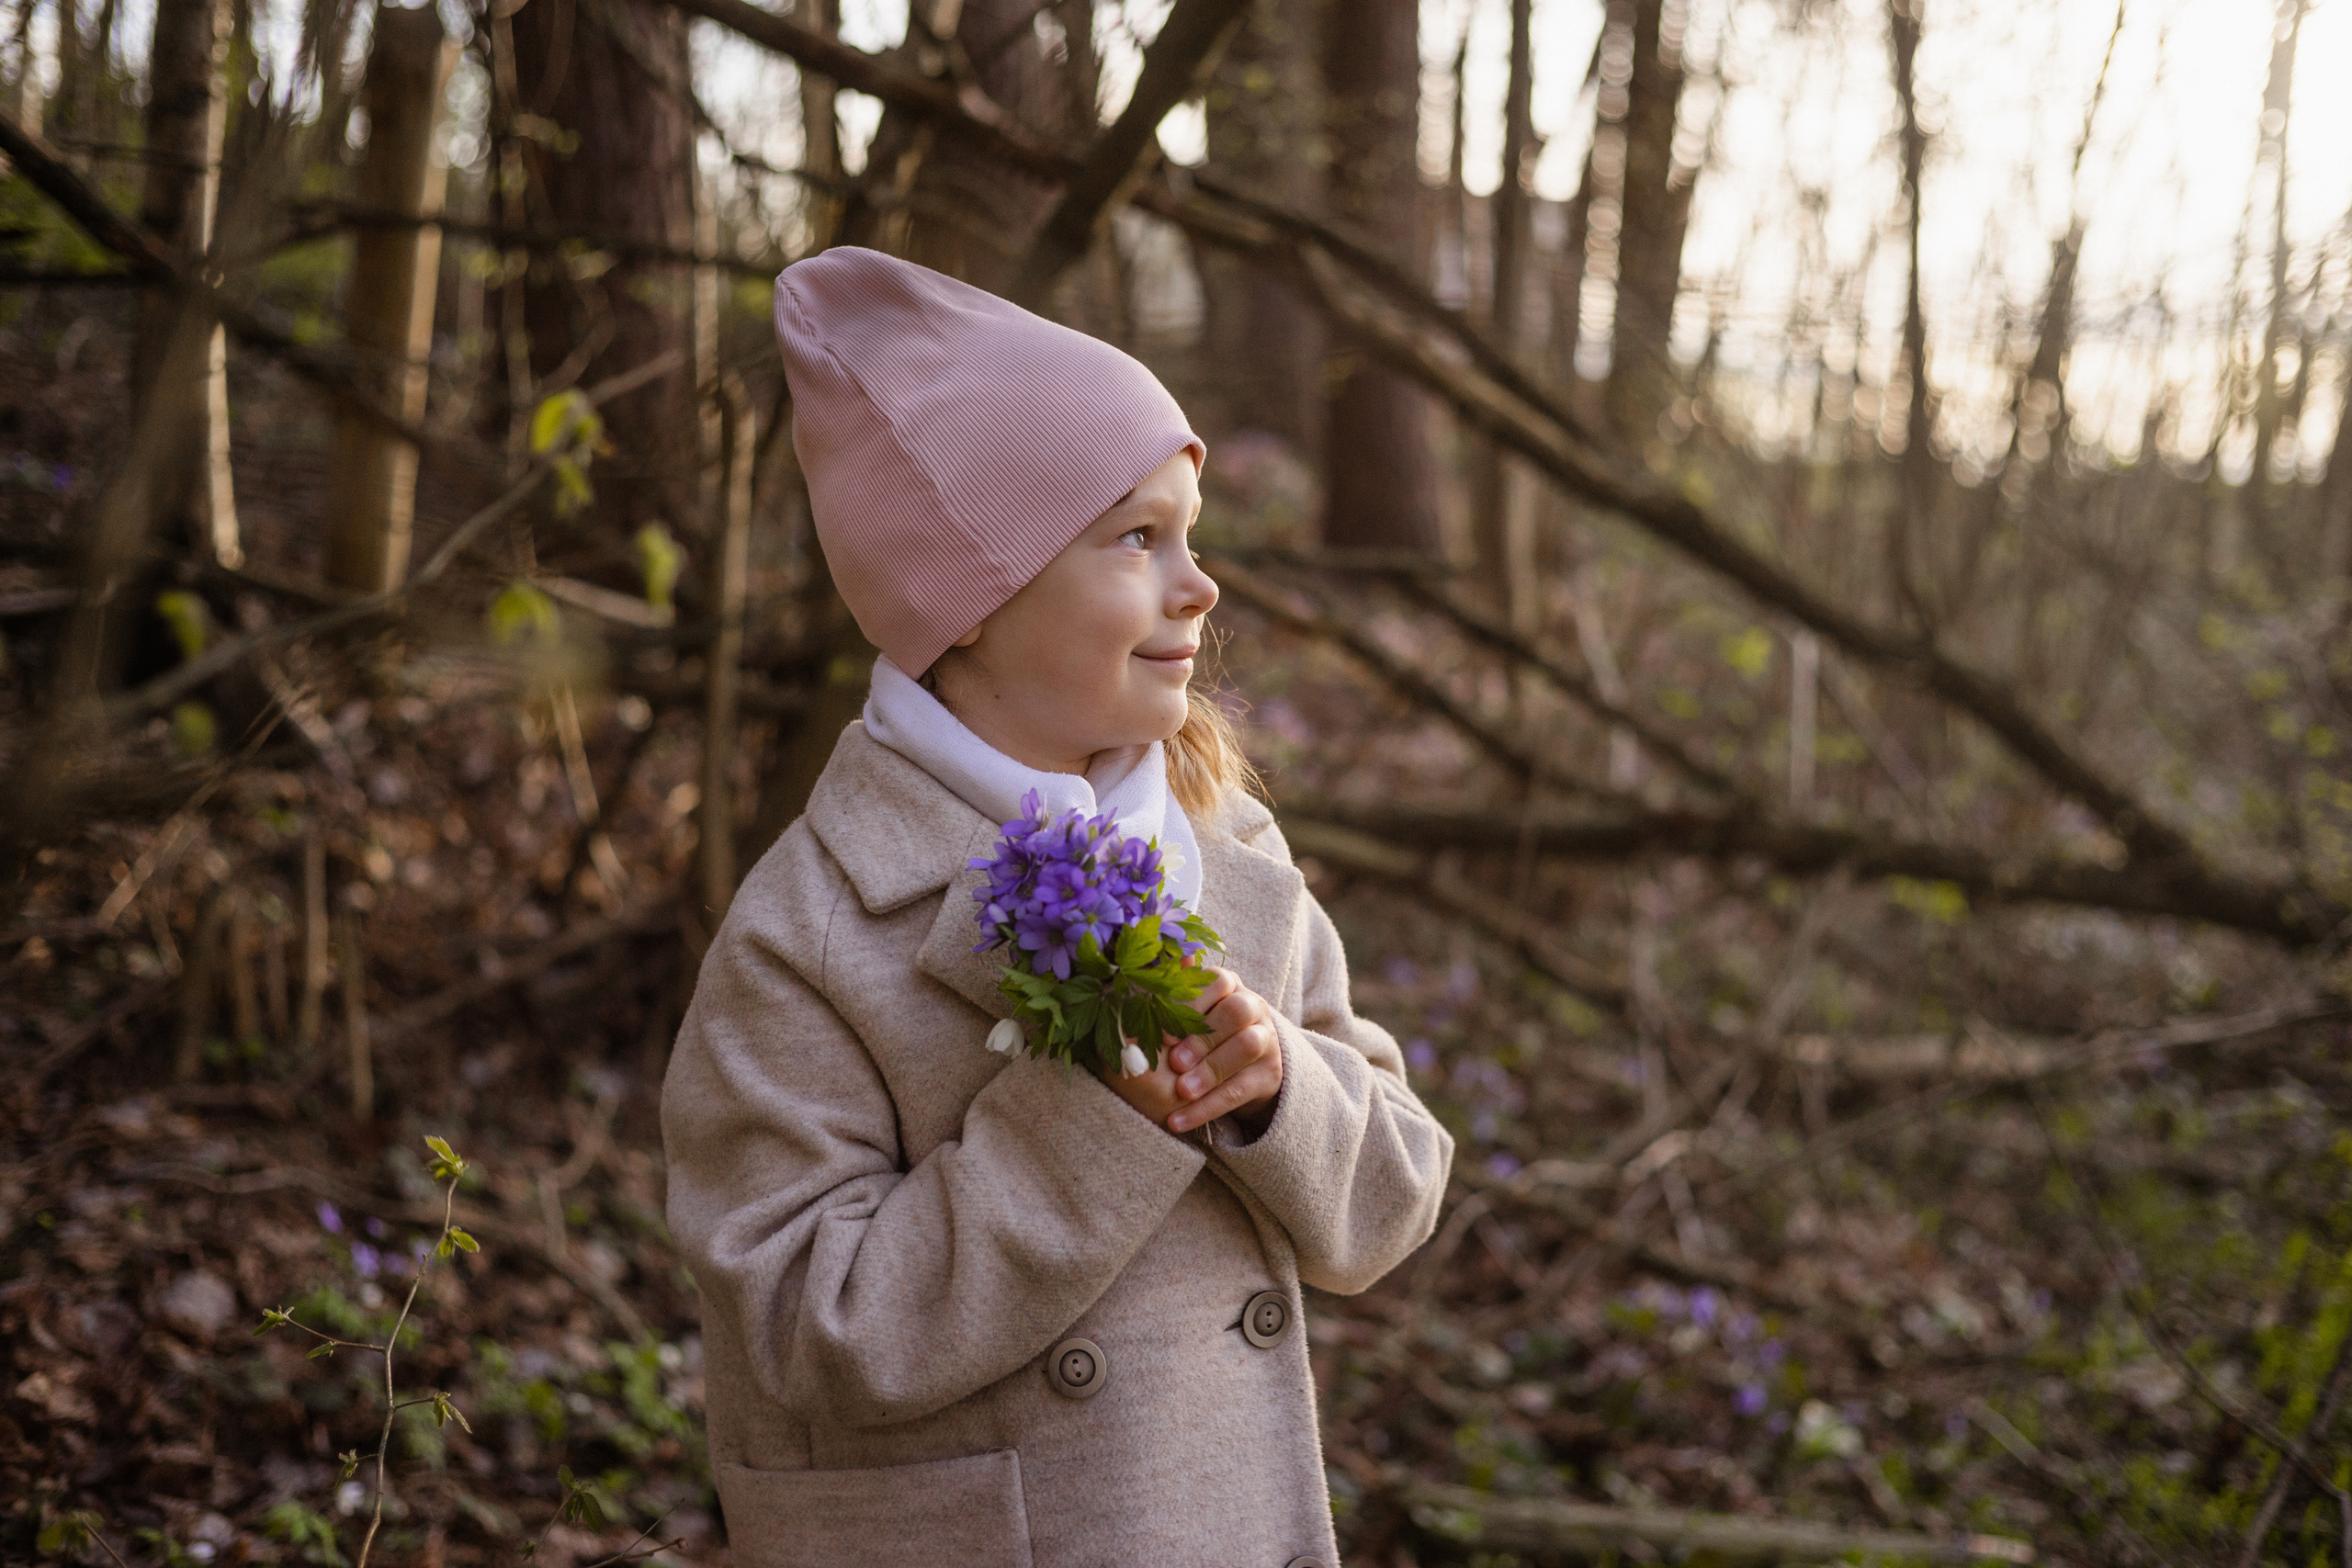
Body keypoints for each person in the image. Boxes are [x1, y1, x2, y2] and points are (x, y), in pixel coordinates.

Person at [661, 246, 1453, 1568]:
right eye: (1137, 539)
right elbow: (801, 1324)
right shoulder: (811, 933)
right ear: (970, 601)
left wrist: (1273, 1092)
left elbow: (1393, 1198)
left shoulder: (1227, 845)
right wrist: (1085, 1121)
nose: (1198, 586)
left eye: (1189, 537)